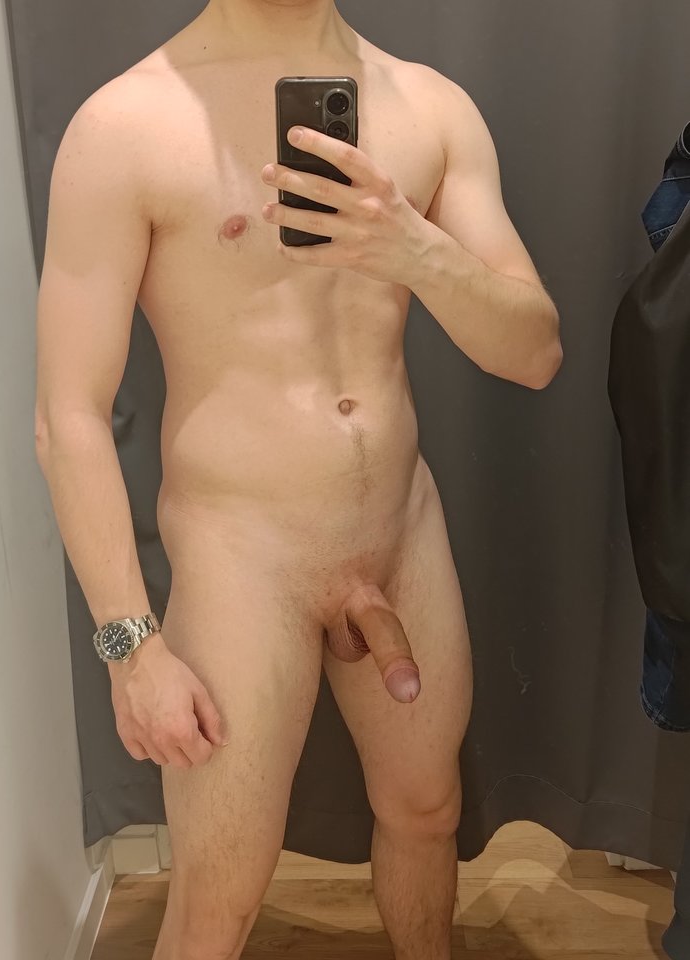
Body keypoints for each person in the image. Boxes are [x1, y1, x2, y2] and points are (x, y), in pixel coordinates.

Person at [34, 1, 562, 958]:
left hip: (399, 528)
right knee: (220, 893)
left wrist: (416, 249)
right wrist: (131, 651)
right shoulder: (124, 126)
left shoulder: (431, 109)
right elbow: (66, 415)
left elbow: (534, 353)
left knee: (427, 812)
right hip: (242, 556)